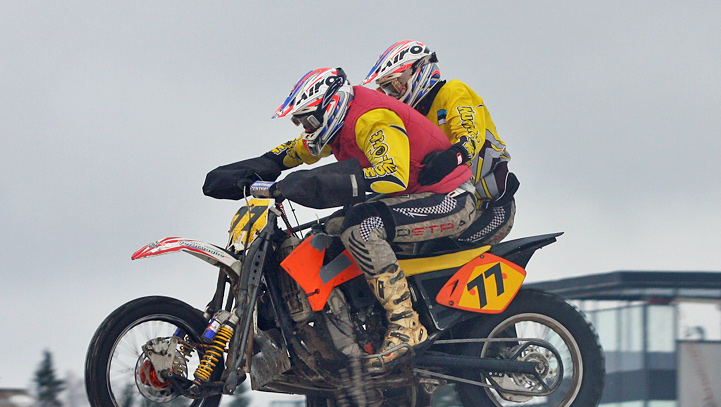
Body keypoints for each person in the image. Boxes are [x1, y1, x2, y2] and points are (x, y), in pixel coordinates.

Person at [209, 67, 476, 371]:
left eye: (308, 121)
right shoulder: (336, 124)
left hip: (451, 199)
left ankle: (406, 324)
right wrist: (243, 171)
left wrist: (312, 183)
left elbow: (391, 176)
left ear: (331, 104)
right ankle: (360, 325)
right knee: (328, 231)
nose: (306, 128)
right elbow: (292, 153)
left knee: (362, 228)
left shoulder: (371, 118)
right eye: (301, 122)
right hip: (414, 199)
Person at [363, 40, 518, 247]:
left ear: (416, 72)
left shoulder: (453, 91)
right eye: (386, 90)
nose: (392, 95)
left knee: (439, 252)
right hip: (443, 204)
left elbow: (471, 137)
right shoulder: (411, 117)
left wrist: (452, 157)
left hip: (490, 206)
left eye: (393, 87)